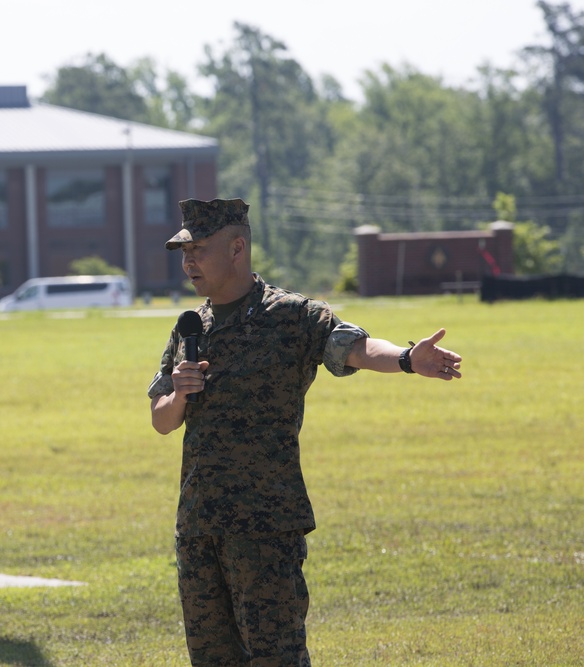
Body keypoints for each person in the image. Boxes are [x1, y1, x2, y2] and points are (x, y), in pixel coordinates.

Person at [147, 198, 463, 666]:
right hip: (198, 526)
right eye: (183, 251)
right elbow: (161, 418)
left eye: (199, 248)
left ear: (237, 248)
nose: (189, 260)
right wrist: (179, 394)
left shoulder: (291, 316)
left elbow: (355, 347)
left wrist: (405, 358)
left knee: (277, 657)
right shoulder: (191, 327)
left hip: (265, 527)